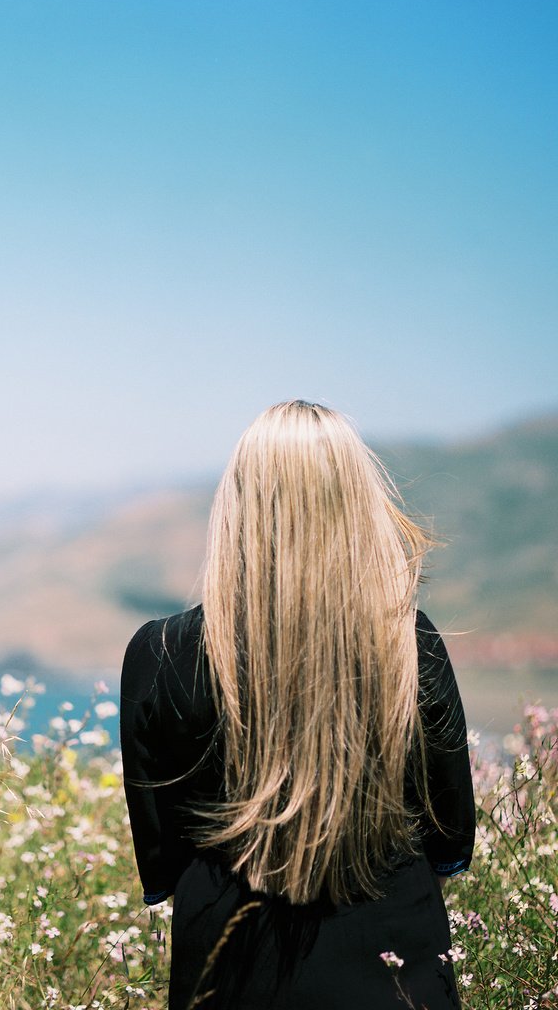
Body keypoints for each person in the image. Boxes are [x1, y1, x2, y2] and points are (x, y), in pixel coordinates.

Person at [120, 400, 476, 1010]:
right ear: (358, 503)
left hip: (230, 976)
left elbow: (164, 860)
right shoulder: (410, 642)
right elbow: (449, 837)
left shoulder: (160, 653)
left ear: (236, 505)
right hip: (398, 969)